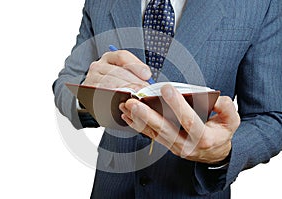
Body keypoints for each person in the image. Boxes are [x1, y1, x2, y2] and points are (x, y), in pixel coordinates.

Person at [53, 0, 282, 198]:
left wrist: (222, 152)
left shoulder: (261, 4)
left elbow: (271, 118)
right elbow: (66, 82)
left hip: (193, 190)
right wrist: (91, 97)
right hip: (110, 188)